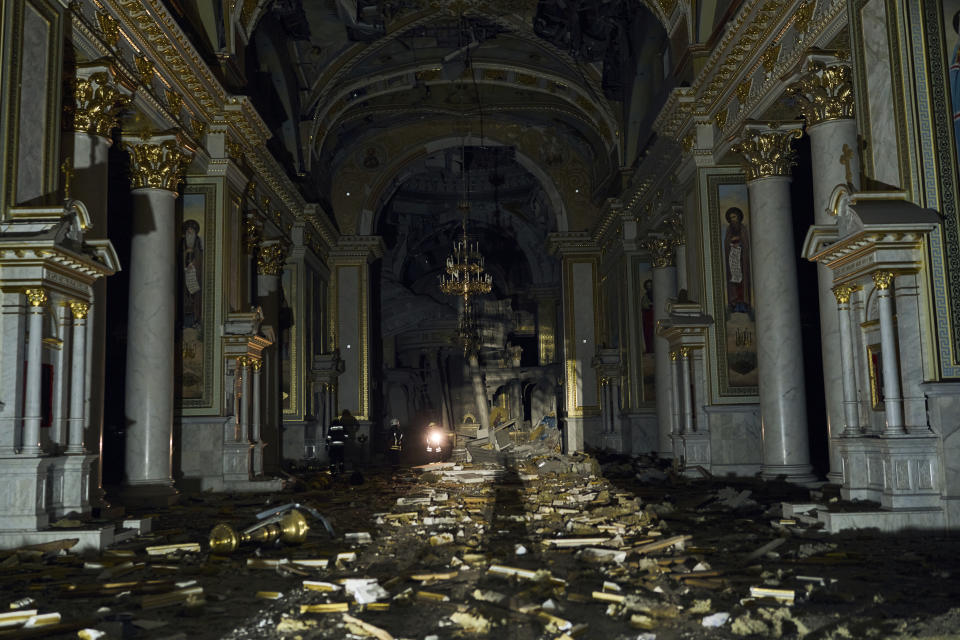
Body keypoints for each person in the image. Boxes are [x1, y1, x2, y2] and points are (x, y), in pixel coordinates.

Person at [723, 207, 752, 316]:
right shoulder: (729, 230)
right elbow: (726, 244)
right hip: (733, 261)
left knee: (742, 284)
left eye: (734, 217)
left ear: (739, 217)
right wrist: (731, 245)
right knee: (734, 283)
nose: (733, 220)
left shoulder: (743, 229)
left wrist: (739, 245)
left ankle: (744, 304)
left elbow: (745, 244)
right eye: (731, 218)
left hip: (742, 261)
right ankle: (734, 304)